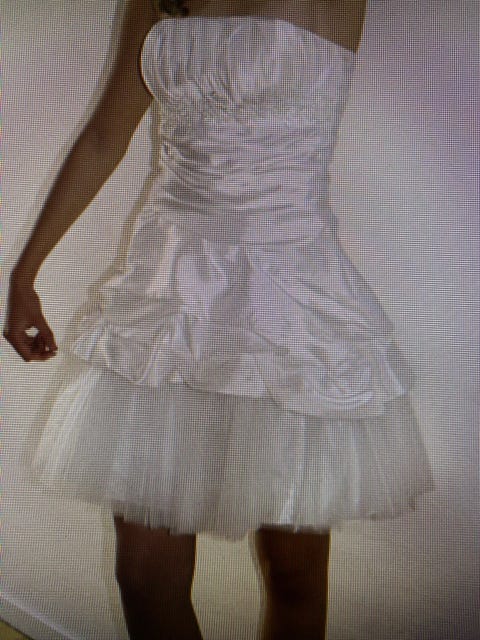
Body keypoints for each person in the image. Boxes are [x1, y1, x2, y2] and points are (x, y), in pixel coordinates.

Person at [3, 1, 436, 639]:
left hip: (288, 303)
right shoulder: (156, 0)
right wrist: (26, 271)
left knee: (293, 572)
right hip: (166, 298)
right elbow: (106, 132)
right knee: (144, 577)